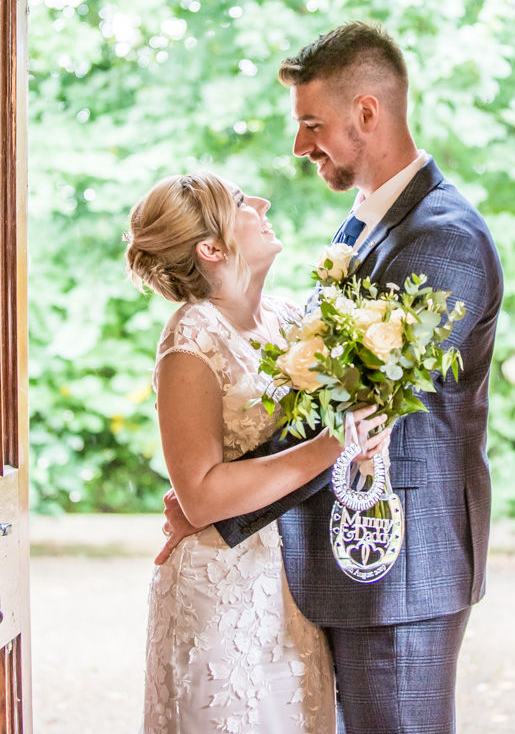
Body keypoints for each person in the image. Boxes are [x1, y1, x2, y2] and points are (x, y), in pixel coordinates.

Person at [159, 22, 504, 734]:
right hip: (344, 569)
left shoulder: (442, 237)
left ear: (367, 113)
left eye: (312, 124)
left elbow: (364, 414)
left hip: (399, 570)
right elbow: (323, 398)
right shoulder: (364, 227)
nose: (299, 146)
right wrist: (207, 486)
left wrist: (217, 503)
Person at [124, 169, 390, 734]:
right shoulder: (191, 341)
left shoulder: (291, 320)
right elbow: (199, 497)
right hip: (221, 590)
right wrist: (331, 445)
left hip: (294, 590)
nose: (263, 201)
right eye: (243, 201)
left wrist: (362, 445)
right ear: (211, 248)